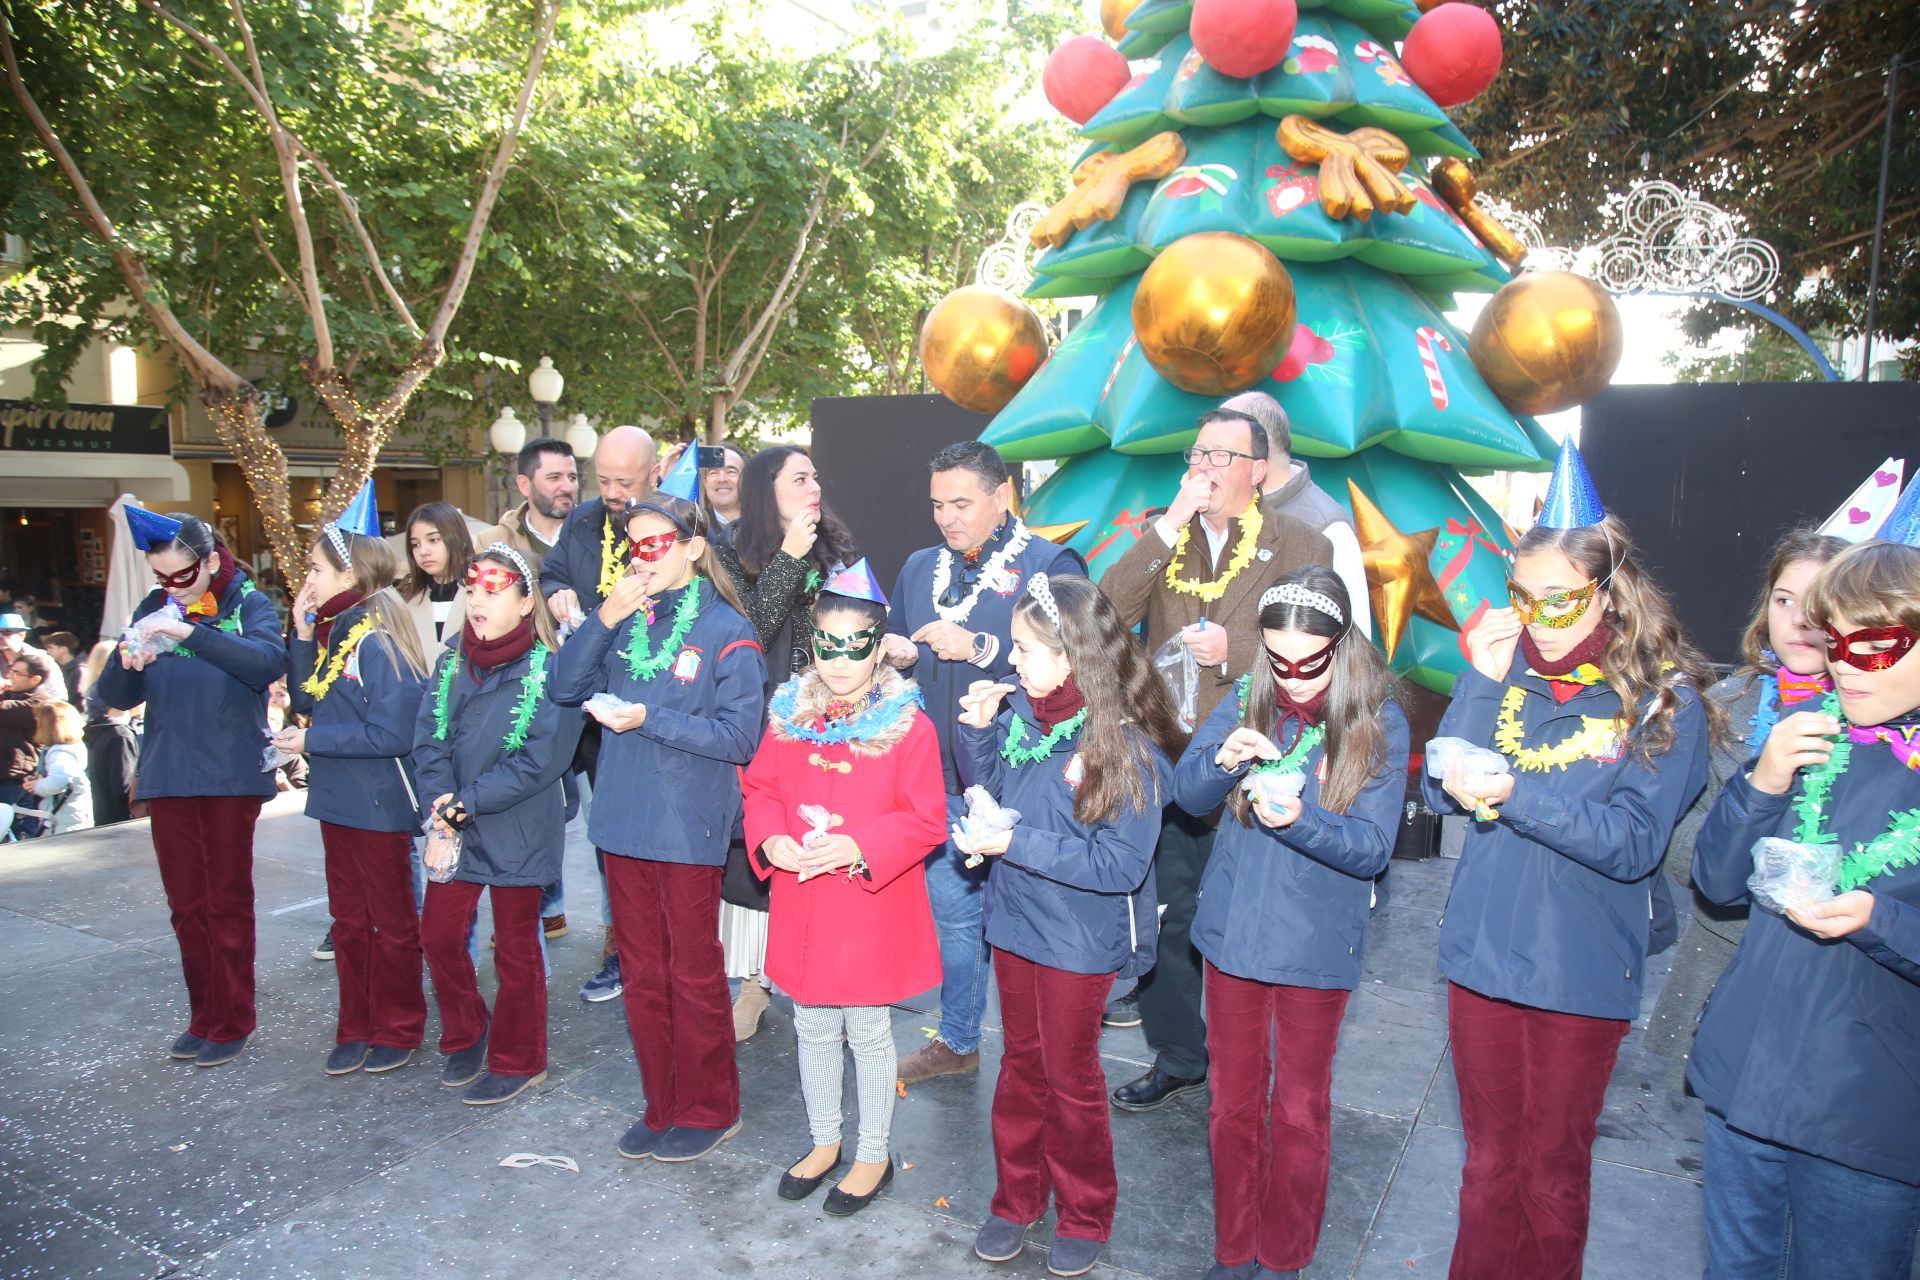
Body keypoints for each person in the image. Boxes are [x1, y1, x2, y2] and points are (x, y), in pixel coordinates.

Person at [1423, 447, 1715, 1280]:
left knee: (1550, 1177)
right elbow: (1444, 797)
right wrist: (1478, 686)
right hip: (1481, 953)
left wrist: (1514, 791)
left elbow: (1630, 843)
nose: (1541, 615)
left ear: (1609, 589)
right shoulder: (1503, 667)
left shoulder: (1663, 698)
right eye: (1524, 596)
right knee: (1485, 1169)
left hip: (1578, 970)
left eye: (1563, 598)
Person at [1687, 538, 1920, 1280]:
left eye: (1876, 645)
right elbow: (1717, 883)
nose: (1847, 662)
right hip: (1745, 1082)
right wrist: (1763, 779)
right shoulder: (1808, 734)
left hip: (1861, 1111)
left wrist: (1876, 919)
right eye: (1836, 639)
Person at [1172, 568, 1408, 1280]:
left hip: (1314, 943)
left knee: (1301, 1108)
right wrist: (1222, 759)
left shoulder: (1377, 719)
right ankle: (1235, 1250)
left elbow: (1371, 850)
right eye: (1279, 659)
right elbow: (1185, 795)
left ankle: (1284, 1258)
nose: (1295, 676)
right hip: (1234, 936)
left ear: (1343, 647)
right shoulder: (1250, 699)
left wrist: (1304, 818)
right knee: (1231, 1104)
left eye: (1312, 661)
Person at [1098, 409, 1333, 1110]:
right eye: (1196, 452)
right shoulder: (1170, 539)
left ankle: (1247, 1065)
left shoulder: (1302, 543)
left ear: (1259, 469)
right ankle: (1178, 1055)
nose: (1203, 467)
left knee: (1243, 915)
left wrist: (1237, 653)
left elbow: (1326, 644)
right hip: (1174, 757)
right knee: (1169, 911)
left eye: (1221, 456)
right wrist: (1169, 523)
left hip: (1254, 758)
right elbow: (1109, 609)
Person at [953, 573, 1185, 1278]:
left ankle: (1085, 1211)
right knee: (1020, 1067)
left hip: (1079, 943)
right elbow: (995, 792)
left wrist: (1012, 845)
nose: (1012, 662)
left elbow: (1118, 866)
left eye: (1025, 649)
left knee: (1070, 1075)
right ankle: (1017, 1197)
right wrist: (976, 733)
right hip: (1017, 925)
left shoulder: (1125, 746)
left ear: (1072, 655)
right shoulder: (1032, 717)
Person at [549, 493, 767, 1162]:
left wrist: (649, 719)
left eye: (655, 544)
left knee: (692, 971)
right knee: (642, 972)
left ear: (692, 547)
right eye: (633, 546)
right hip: (619, 819)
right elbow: (562, 686)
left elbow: (738, 738)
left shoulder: (729, 630)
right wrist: (601, 618)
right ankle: (661, 1101)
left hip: (687, 823)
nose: (642, 558)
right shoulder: (625, 618)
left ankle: (710, 1106)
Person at [742, 563, 946, 1216]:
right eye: (825, 644)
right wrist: (770, 837)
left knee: (867, 1030)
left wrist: (859, 845)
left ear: (879, 645)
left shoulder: (909, 728)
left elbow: (925, 820)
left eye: (852, 645)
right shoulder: (789, 718)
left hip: (866, 908)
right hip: (804, 902)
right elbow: (763, 788)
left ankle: (873, 1152)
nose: (837, 660)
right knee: (812, 1024)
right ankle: (825, 1140)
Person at [880, 440, 1086, 1086]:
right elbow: (900, 652)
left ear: (1003, 497)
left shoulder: (1051, 564)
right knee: (955, 916)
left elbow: (1084, 666)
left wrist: (982, 646)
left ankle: (1056, 1054)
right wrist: (894, 656)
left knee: (1038, 924)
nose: (947, 518)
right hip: (939, 777)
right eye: (938, 504)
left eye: (962, 503)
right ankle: (961, 1037)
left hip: (1027, 777)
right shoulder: (920, 568)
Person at [1646, 528, 1847, 1086]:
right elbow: (1682, 854)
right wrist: (1761, 800)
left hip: (1842, 986)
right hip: (1725, 965)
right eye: (1785, 600)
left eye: (1821, 603)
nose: (1800, 621)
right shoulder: (1727, 706)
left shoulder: (1891, 726)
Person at [95, 507, 285, 1068]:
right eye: (161, 578)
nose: (171, 588)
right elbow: (118, 694)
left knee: (225, 901)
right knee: (186, 905)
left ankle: (233, 1017)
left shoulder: (248, 602)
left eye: (182, 575)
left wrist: (190, 632)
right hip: (170, 771)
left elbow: (267, 663)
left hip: (228, 773)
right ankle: (203, 1013)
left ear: (207, 561)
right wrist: (130, 658)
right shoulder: (154, 604)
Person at [412, 544, 583, 1105]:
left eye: (493, 589)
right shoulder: (450, 662)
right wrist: (441, 805)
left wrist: (467, 804)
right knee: (437, 934)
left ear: (523, 598)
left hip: (517, 824)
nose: (477, 600)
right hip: (453, 822)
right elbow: (429, 741)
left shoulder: (551, 669)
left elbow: (541, 760)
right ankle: (467, 1029)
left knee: (515, 948)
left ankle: (519, 1057)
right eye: (471, 588)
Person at [714, 443, 861, 1040]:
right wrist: (787, 559)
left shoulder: (839, 550)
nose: (814, 486)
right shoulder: (727, 553)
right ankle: (755, 983)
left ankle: (831, 983)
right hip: (764, 729)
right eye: (800, 478)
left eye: (816, 475)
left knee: (827, 848)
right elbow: (747, 632)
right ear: (765, 492)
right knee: (767, 851)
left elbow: (861, 619)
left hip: (836, 725)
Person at [280, 523, 431, 1078]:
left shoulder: (373, 639)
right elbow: (305, 697)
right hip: (338, 800)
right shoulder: (333, 632)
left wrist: (311, 741)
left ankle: (398, 1025)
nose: (308, 580)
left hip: (374, 803)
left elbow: (392, 733)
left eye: (316, 569)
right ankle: (356, 1023)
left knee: (389, 921)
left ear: (350, 575)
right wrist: (298, 634)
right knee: (347, 920)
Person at [540, 423, 659, 1003]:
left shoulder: (673, 527)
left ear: (654, 476)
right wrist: (557, 590)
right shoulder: (584, 520)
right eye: (605, 480)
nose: (613, 493)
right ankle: (620, 948)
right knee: (606, 833)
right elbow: (553, 572)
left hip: (654, 700)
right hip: (590, 704)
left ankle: (658, 945)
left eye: (626, 482)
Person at [1224, 391, 1372, 639]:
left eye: (1223, 449)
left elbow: (1354, 636)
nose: (1210, 462)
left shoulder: (1327, 527)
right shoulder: (1224, 508)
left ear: (1257, 449)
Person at [476, 436, 578, 570]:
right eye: (554, 478)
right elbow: (480, 590)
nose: (567, 487)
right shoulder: (492, 542)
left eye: (572, 477)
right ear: (525, 485)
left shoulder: (601, 532)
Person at [398, 502, 475, 654]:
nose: (423, 551)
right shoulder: (405, 599)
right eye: (415, 544)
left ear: (458, 539)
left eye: (433, 540)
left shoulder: (480, 593)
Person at [82, 640, 139, 827]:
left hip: (105, 818)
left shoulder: (99, 729)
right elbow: (123, 788)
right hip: (122, 822)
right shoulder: (119, 735)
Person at [0, 650, 55, 824]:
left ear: (35, 679)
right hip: (5, 773)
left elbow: (6, 711)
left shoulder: (40, 703)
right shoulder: (9, 696)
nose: (11, 676)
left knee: (14, 829)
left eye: (17, 673)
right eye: (11, 670)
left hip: (16, 778)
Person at [26, 700, 92, 835]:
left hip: (63, 821)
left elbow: (58, 781)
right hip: (69, 818)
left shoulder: (60, 753)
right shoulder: (68, 748)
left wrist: (37, 786)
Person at [0, 612, 67, 703]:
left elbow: (59, 697)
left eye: (6, 632)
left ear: (21, 635)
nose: (0, 636)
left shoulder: (42, 660)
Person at [703, 442, 746, 542]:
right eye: (714, 472)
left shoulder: (768, 525)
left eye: (731, 472)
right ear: (705, 483)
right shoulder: (694, 529)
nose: (722, 479)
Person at [41, 630, 86, 710]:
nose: (48, 651)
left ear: (64, 649)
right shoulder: (55, 668)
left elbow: (78, 700)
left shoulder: (79, 671)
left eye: (51, 647)